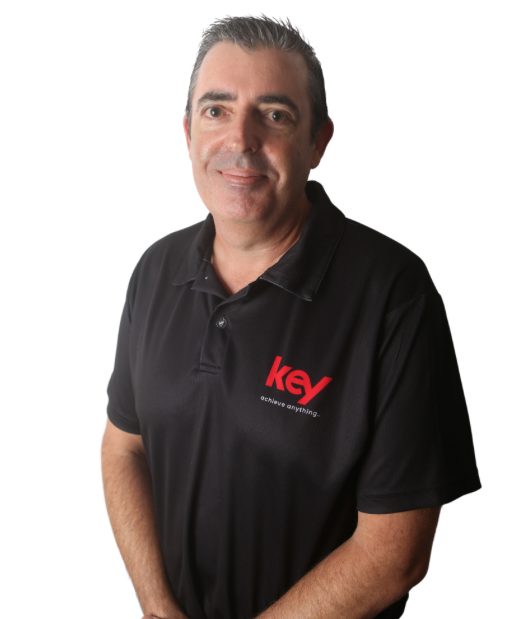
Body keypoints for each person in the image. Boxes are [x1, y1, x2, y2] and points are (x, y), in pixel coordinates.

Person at [101, 16, 481, 619]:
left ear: (318, 142)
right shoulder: (156, 271)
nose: (241, 139)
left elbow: (395, 554)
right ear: (188, 131)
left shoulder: (393, 295)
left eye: (274, 115)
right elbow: (124, 449)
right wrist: (156, 606)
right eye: (217, 110)